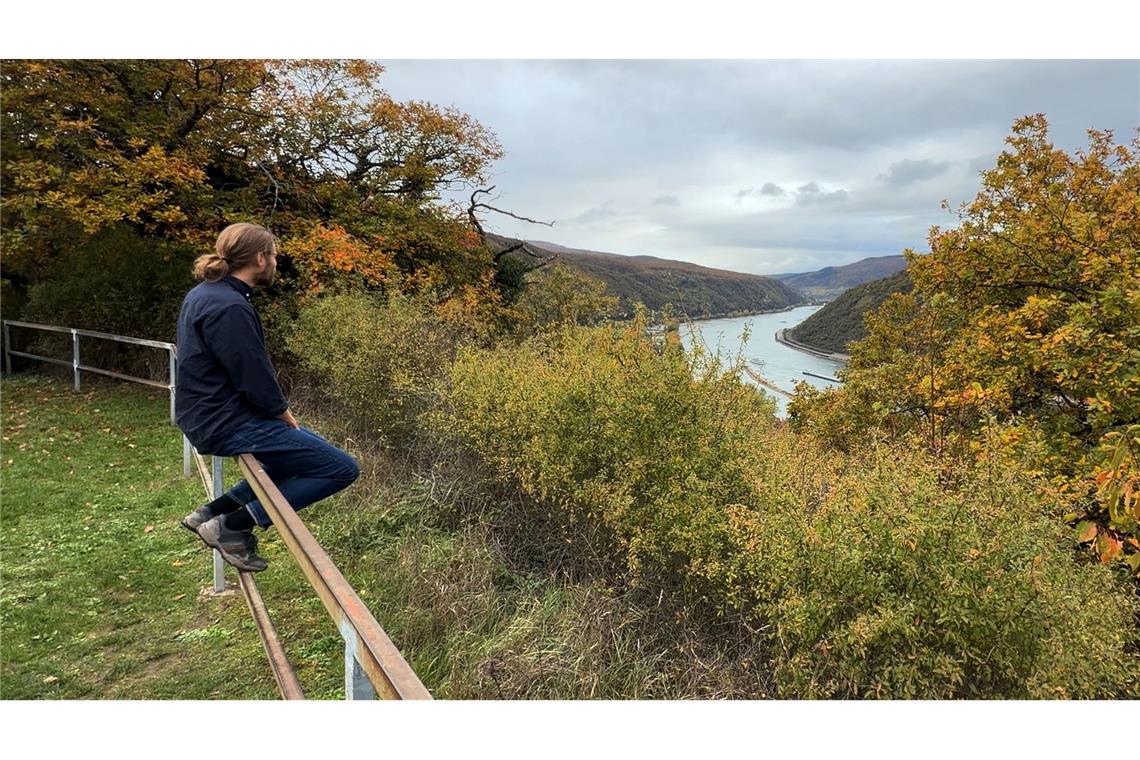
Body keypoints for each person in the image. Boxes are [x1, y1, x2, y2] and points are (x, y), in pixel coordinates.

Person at [175, 222, 359, 572]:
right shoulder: (230, 306)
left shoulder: (205, 293)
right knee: (341, 468)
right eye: (274, 254)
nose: (276, 261)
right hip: (225, 420)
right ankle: (231, 526)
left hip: (208, 413)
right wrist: (280, 412)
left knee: (301, 452)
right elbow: (251, 372)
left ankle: (211, 512)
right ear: (260, 259)